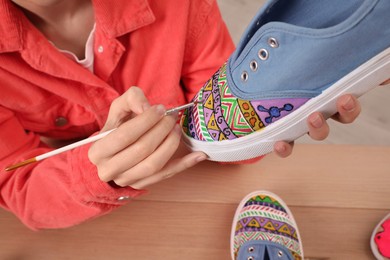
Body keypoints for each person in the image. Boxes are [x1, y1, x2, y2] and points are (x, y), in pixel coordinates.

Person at [0, 0, 361, 230]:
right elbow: (17, 184)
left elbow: (228, 110)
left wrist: (274, 116)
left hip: (196, 186)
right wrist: (91, 175)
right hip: (83, 212)